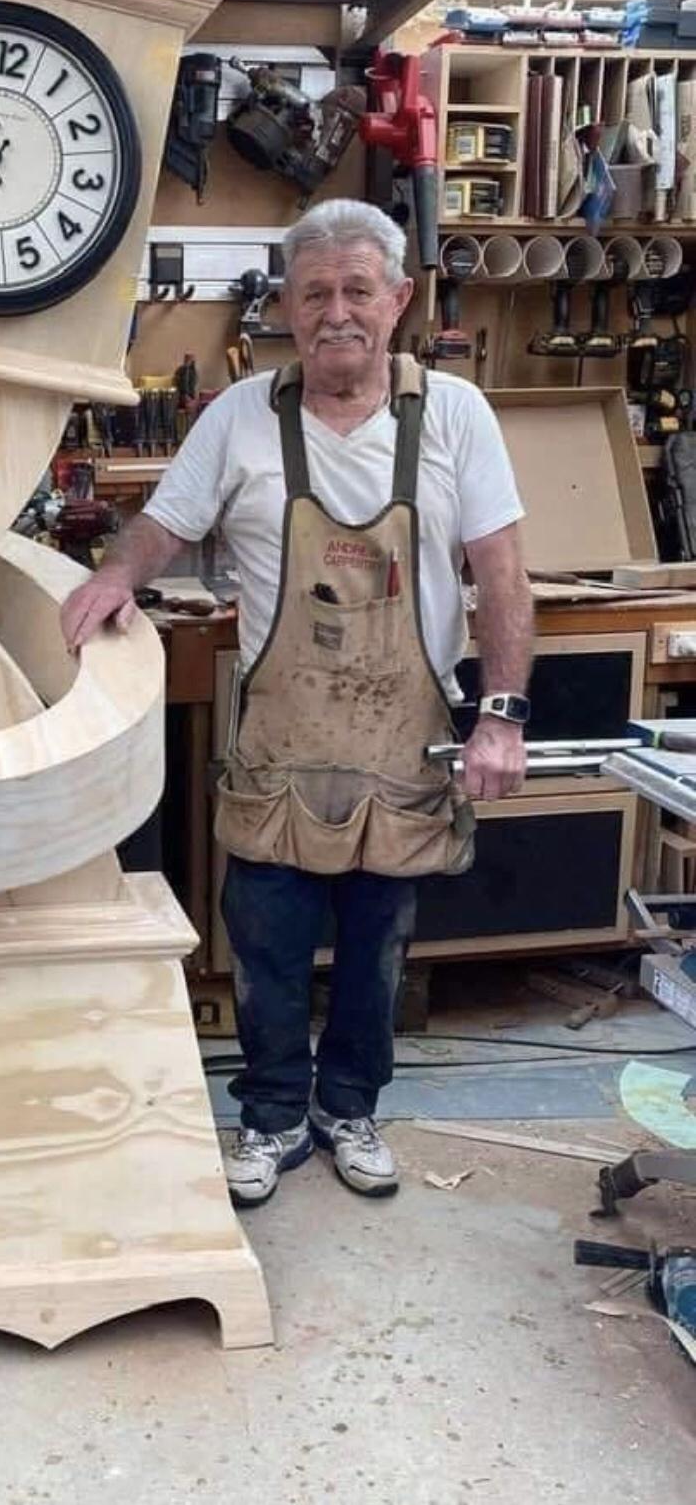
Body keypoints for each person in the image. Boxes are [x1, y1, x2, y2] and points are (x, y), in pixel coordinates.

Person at [60, 198, 533, 1207]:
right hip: (280, 750)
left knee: (376, 954)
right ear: (286, 306)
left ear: (399, 300)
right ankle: (272, 1115)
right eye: (314, 293)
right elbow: (164, 524)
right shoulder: (240, 418)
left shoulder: (455, 416)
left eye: (358, 290)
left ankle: (349, 1108)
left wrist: (502, 712)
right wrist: (116, 575)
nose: (336, 313)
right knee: (265, 947)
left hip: (402, 750)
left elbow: (502, 574)